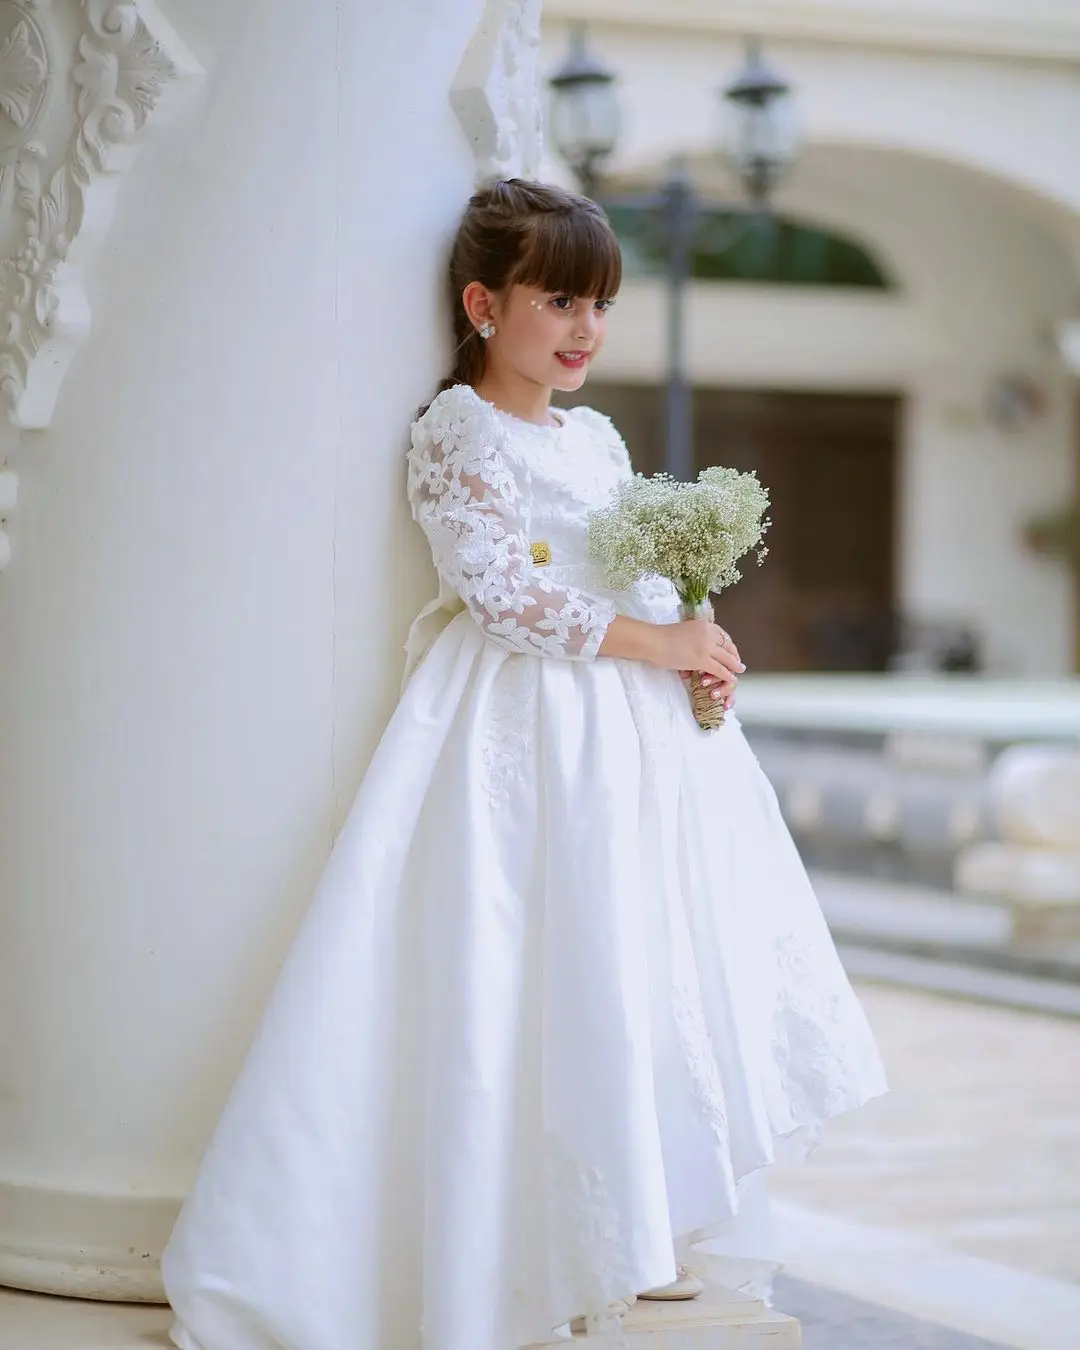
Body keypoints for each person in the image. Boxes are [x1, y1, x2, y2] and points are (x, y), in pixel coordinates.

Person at [162, 178, 886, 1350]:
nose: (587, 328)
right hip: (523, 725)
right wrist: (655, 640)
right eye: (560, 299)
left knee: (635, 964)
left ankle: (632, 1221)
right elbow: (502, 591)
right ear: (484, 304)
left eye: (599, 302)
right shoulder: (460, 429)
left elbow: (626, 568)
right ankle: (507, 1245)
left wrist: (693, 639)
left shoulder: (593, 434)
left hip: (631, 740)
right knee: (521, 965)